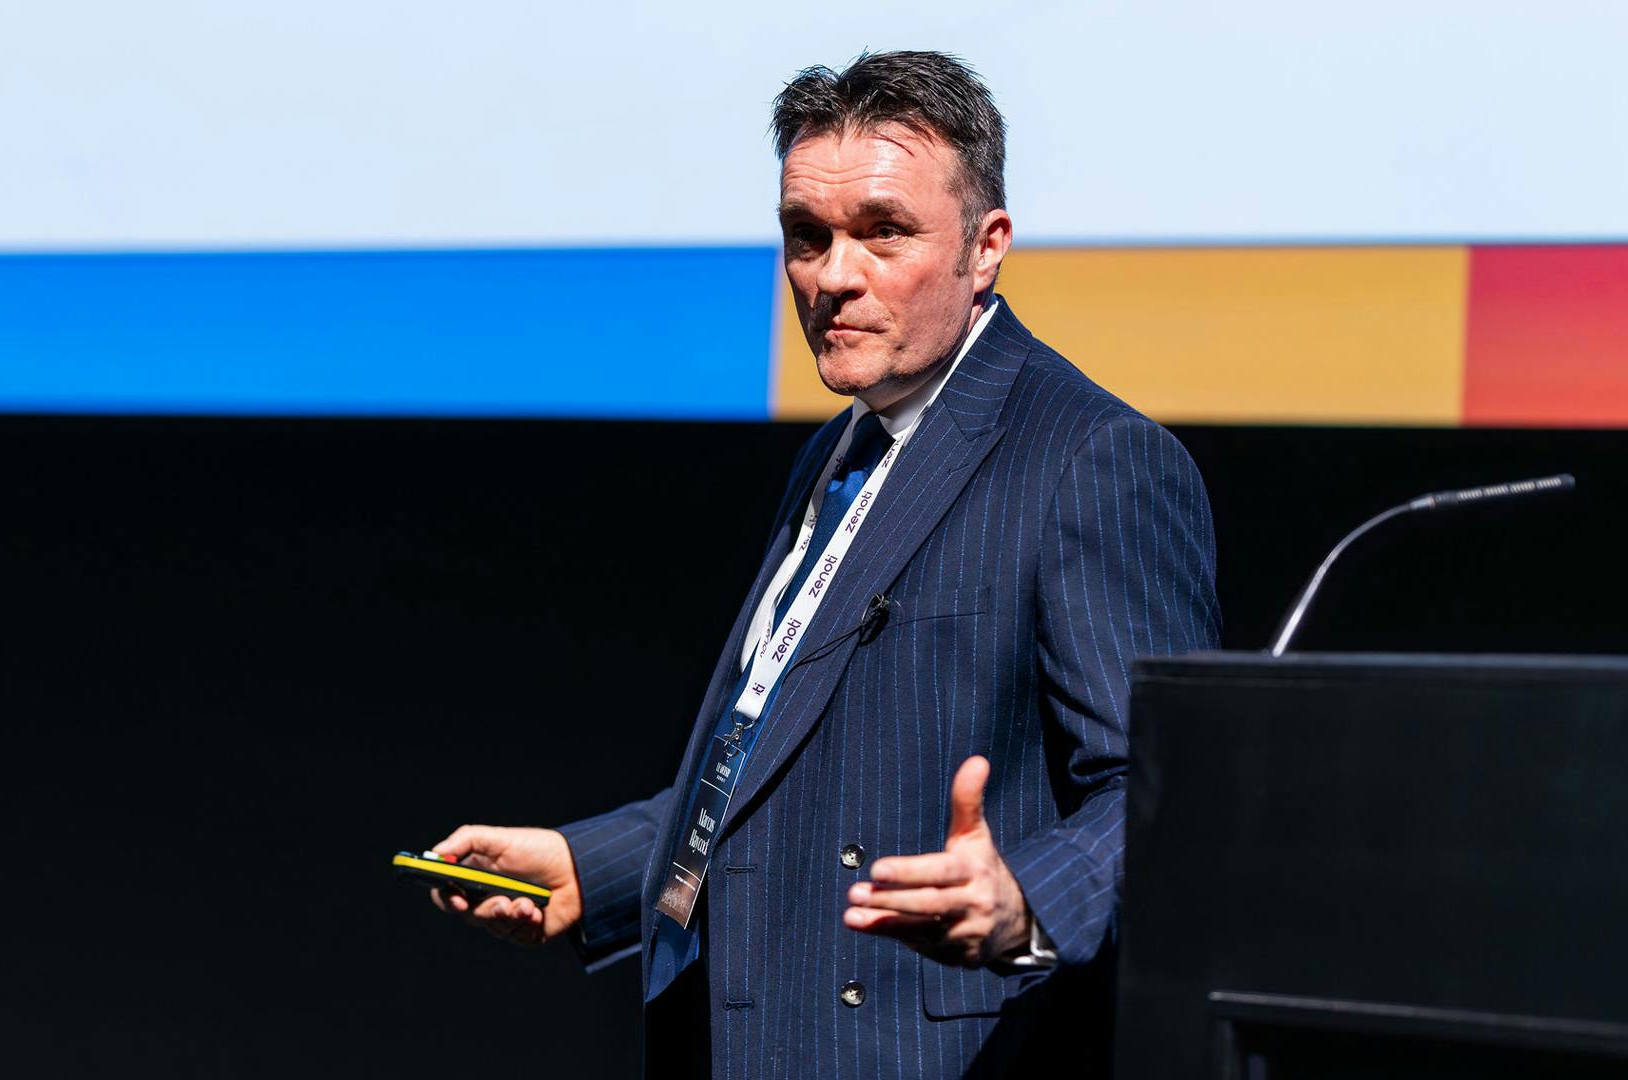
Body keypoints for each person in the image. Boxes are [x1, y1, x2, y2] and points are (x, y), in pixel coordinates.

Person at [427, 51, 1219, 1078]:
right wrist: (597, 870)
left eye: (884, 232)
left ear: (986, 248)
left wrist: (1028, 902)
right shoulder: (840, 449)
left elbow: (1164, 792)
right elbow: (772, 757)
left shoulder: (1091, 458)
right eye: (808, 236)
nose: (835, 275)